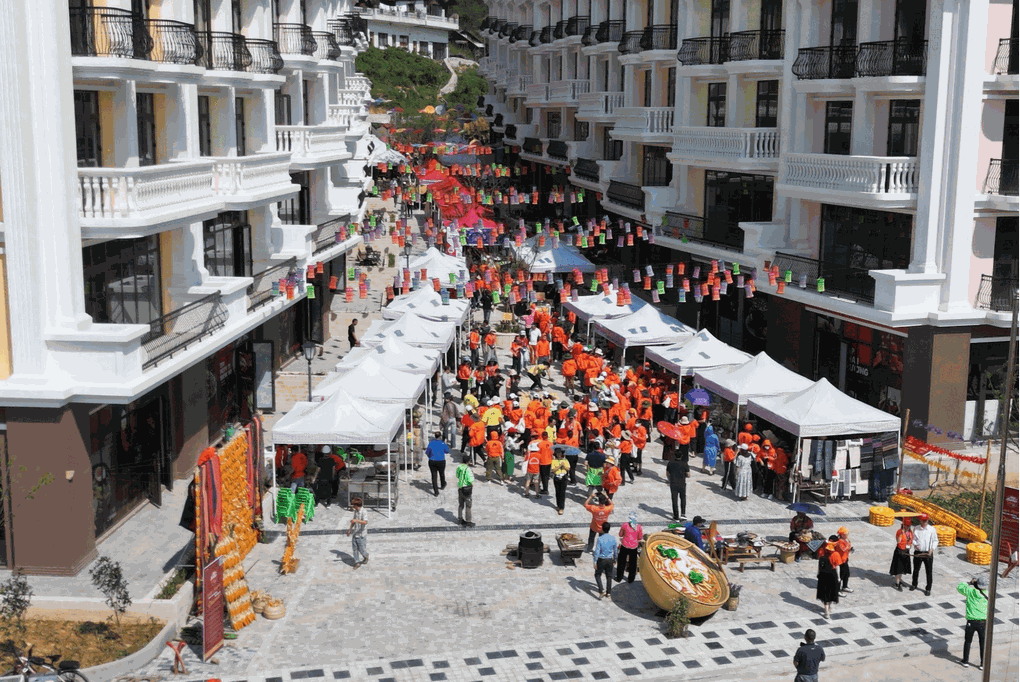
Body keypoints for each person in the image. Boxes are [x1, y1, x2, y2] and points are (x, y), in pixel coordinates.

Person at [958, 575, 989, 669]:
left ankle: (965, 661)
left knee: (968, 641)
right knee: (982, 642)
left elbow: (959, 587)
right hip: (983, 622)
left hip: (971, 621)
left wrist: (969, 583)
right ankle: (982, 664)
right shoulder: (987, 594)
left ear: (976, 584)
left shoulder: (970, 592)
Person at [911, 513, 938, 596]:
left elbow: (935, 540)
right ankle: (914, 584)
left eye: (926, 520)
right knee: (916, 569)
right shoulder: (916, 528)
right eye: (923, 520)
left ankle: (928, 588)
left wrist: (932, 549)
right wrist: (915, 545)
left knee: (929, 571)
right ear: (920, 520)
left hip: (928, 553)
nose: (925, 522)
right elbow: (913, 539)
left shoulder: (932, 529)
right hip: (918, 552)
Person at [816, 535, 843, 618]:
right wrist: (838, 577)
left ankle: (826, 610)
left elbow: (819, 565)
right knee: (831, 593)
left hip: (823, 575)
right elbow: (837, 567)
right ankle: (828, 610)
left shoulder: (822, 552)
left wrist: (818, 573)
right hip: (832, 575)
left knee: (824, 593)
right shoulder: (836, 554)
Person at [592, 521, 618, 600]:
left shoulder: (600, 539)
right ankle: (608, 592)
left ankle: (601, 590)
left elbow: (597, 551)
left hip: (601, 560)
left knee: (597, 575)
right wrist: (615, 559)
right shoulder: (613, 538)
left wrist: (595, 561)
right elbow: (615, 550)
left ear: (602, 529)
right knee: (609, 576)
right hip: (610, 559)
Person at [616, 512, 642, 584]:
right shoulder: (639, 527)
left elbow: (620, 534)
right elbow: (640, 537)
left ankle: (619, 577)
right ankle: (631, 579)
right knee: (633, 563)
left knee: (621, 562)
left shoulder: (625, 525)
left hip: (625, 545)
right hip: (634, 547)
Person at [890, 517, 914, 590]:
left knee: (902, 569)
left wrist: (910, 546)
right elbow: (898, 541)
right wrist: (901, 534)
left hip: (906, 551)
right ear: (903, 525)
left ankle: (899, 580)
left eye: (909, 526)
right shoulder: (899, 531)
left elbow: (911, 541)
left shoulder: (910, 532)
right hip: (899, 551)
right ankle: (897, 583)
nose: (908, 527)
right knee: (898, 569)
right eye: (907, 526)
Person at [424, 431, 449, 496]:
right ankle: (443, 484)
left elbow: (427, 452)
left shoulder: (431, 443)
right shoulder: (442, 443)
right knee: (442, 473)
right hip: (441, 461)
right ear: (440, 436)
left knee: (434, 476)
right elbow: (447, 451)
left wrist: (430, 457)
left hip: (432, 461)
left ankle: (436, 492)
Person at [666, 452, 689, 521]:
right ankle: (683, 514)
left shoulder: (670, 463)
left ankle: (676, 516)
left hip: (673, 484)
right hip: (682, 483)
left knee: (674, 499)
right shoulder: (684, 463)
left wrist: (670, 479)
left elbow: (667, 473)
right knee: (683, 498)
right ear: (681, 456)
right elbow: (688, 474)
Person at [347, 497, 369, 568]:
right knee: (355, 549)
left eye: (353, 506)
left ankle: (366, 556)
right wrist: (350, 529)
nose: (353, 507)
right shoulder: (355, 511)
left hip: (362, 534)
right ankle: (357, 562)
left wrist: (356, 521)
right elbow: (354, 520)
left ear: (357, 505)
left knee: (361, 549)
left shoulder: (364, 512)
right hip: (355, 533)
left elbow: (365, 522)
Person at [455, 454, 475, 527]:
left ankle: (460, 519)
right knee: (468, 506)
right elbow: (470, 480)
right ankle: (468, 521)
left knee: (461, 504)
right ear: (468, 461)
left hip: (460, 488)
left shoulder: (459, 467)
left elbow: (457, 475)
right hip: (467, 489)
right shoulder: (468, 469)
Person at [551, 448, 570, 514]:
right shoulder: (554, 460)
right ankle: (558, 505)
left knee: (562, 493)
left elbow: (568, 468)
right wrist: (559, 466)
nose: (559, 455)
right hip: (556, 477)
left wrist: (563, 466)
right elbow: (553, 470)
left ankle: (561, 507)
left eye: (560, 453)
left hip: (563, 477)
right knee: (557, 492)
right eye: (557, 453)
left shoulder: (565, 460)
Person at [836, 527, 853, 593]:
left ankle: (845, 586)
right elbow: (843, 549)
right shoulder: (839, 541)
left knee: (847, 574)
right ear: (842, 535)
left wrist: (851, 548)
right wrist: (849, 546)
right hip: (840, 561)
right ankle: (837, 590)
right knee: (840, 576)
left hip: (845, 560)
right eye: (846, 534)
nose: (847, 535)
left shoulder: (846, 540)